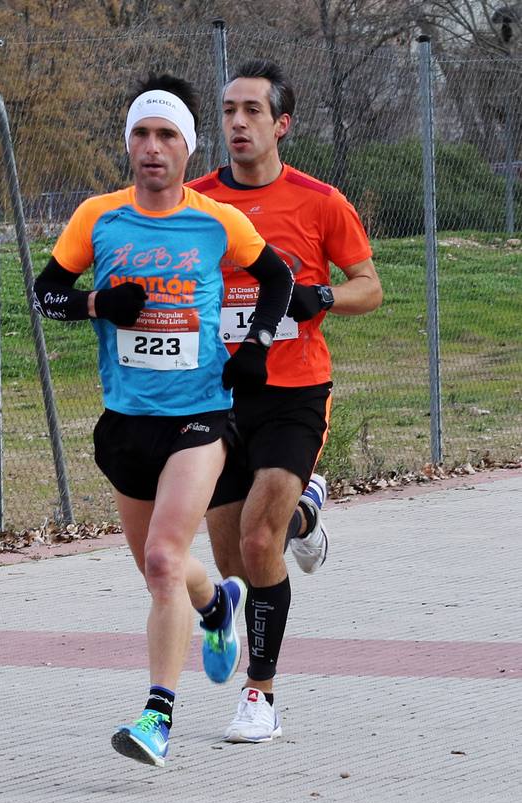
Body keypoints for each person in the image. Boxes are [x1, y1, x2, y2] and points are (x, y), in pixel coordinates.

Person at [33, 73, 294, 767]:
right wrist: (97, 306)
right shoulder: (99, 217)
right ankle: (214, 608)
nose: (153, 148)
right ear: (128, 144)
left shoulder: (216, 221)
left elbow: (278, 280)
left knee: (161, 558)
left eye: (167, 135)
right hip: (126, 422)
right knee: (167, 574)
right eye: (142, 135)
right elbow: (47, 293)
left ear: (187, 147)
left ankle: (157, 718)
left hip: (200, 417)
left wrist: (255, 348)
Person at [188, 60, 382, 743]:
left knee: (257, 538)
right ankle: (306, 513)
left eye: (252, 112)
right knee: (234, 558)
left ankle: (260, 696)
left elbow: (369, 286)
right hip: (216, 394)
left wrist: (320, 295)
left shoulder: (320, 201)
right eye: (229, 110)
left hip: (294, 392)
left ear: (282, 125)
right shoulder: (196, 200)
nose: (238, 123)